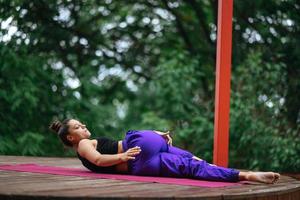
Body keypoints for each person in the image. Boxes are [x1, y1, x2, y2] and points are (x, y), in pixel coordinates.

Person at [49, 118, 280, 184]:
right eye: (79, 127)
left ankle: (244, 175)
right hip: (136, 154)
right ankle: (243, 174)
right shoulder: (82, 145)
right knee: (191, 160)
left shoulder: (84, 144)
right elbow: (99, 160)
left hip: (145, 162)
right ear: (71, 137)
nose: (84, 127)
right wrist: (122, 156)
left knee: (190, 164)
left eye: (83, 123)